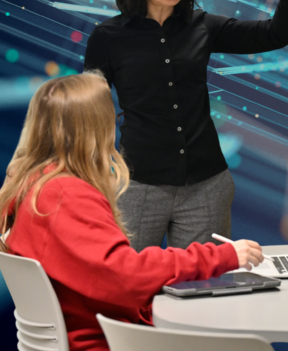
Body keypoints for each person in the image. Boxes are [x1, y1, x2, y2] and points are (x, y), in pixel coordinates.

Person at [83, 0, 288, 251]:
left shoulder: (202, 26)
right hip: (138, 185)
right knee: (127, 277)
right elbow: (86, 115)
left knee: (206, 280)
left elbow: (276, 34)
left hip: (206, 187)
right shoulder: (107, 37)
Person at [0, 72, 265, 351]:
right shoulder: (65, 195)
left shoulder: (32, 185)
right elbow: (124, 276)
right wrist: (221, 256)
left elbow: (106, 275)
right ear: (95, 129)